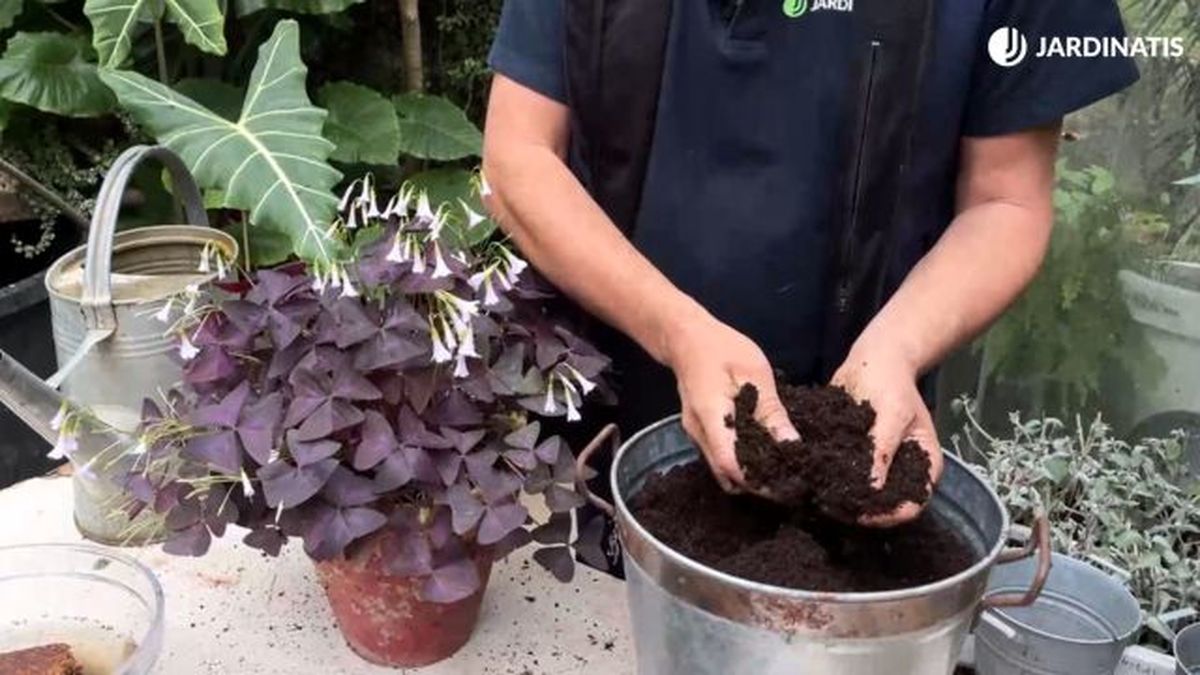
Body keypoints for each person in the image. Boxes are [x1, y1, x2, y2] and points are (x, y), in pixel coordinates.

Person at [481, 0, 1138, 568]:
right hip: (613, 430)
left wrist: (899, 348)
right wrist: (678, 330)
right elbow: (518, 157)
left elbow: (1006, 203)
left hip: (863, 442)